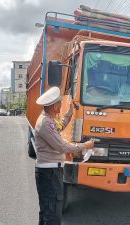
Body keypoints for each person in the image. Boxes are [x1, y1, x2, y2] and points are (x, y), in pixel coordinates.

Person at [34, 86, 94, 225]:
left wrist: (70, 113)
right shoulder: (45, 123)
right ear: (55, 106)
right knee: (52, 213)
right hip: (49, 173)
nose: (61, 105)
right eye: (60, 103)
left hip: (49, 171)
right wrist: (86, 146)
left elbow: (59, 127)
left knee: (47, 210)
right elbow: (62, 147)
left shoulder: (48, 120)